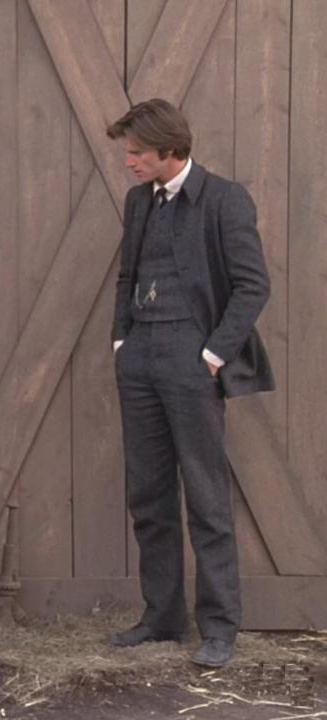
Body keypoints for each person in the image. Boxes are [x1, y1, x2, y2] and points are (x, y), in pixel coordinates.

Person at [105, 99, 274, 668]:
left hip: (191, 357)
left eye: (137, 153)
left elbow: (253, 286)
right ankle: (162, 617)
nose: (129, 162)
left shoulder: (225, 199)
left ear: (170, 152)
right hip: (141, 358)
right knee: (148, 494)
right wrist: (121, 341)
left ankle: (220, 627)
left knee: (205, 496)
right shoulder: (138, 202)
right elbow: (128, 274)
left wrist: (211, 354)